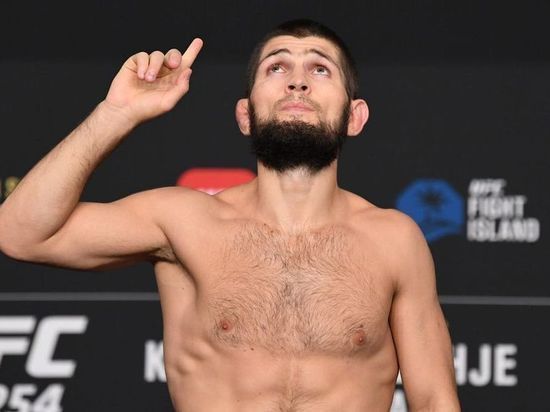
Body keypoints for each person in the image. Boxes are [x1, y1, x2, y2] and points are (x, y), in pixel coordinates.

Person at [0, 19, 460, 411]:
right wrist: (117, 113)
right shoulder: (184, 221)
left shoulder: (393, 240)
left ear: (354, 116)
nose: (297, 82)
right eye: (276, 67)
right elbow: (20, 234)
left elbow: (434, 401)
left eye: (320, 68)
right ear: (245, 114)